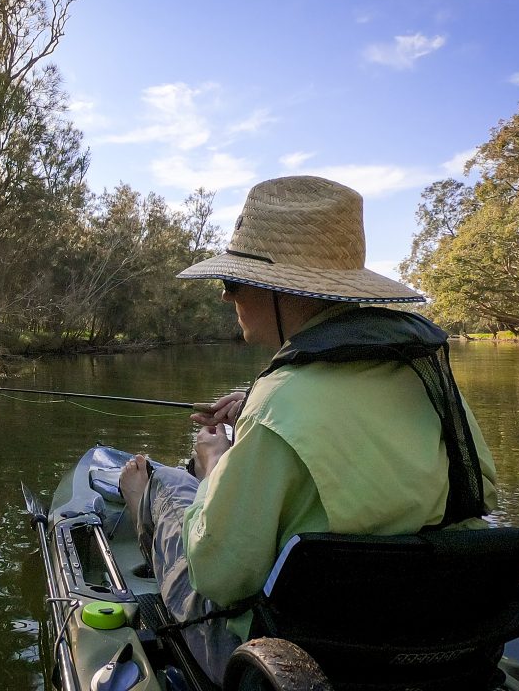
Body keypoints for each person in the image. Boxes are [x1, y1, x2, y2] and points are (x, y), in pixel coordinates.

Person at [118, 175, 498, 685]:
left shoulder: (281, 402)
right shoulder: (428, 377)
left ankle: (141, 493)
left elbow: (219, 576)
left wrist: (214, 465)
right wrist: (258, 407)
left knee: (166, 486)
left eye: (232, 283)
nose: (228, 298)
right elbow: (481, 493)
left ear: (277, 290)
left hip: (299, 659)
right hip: (437, 641)